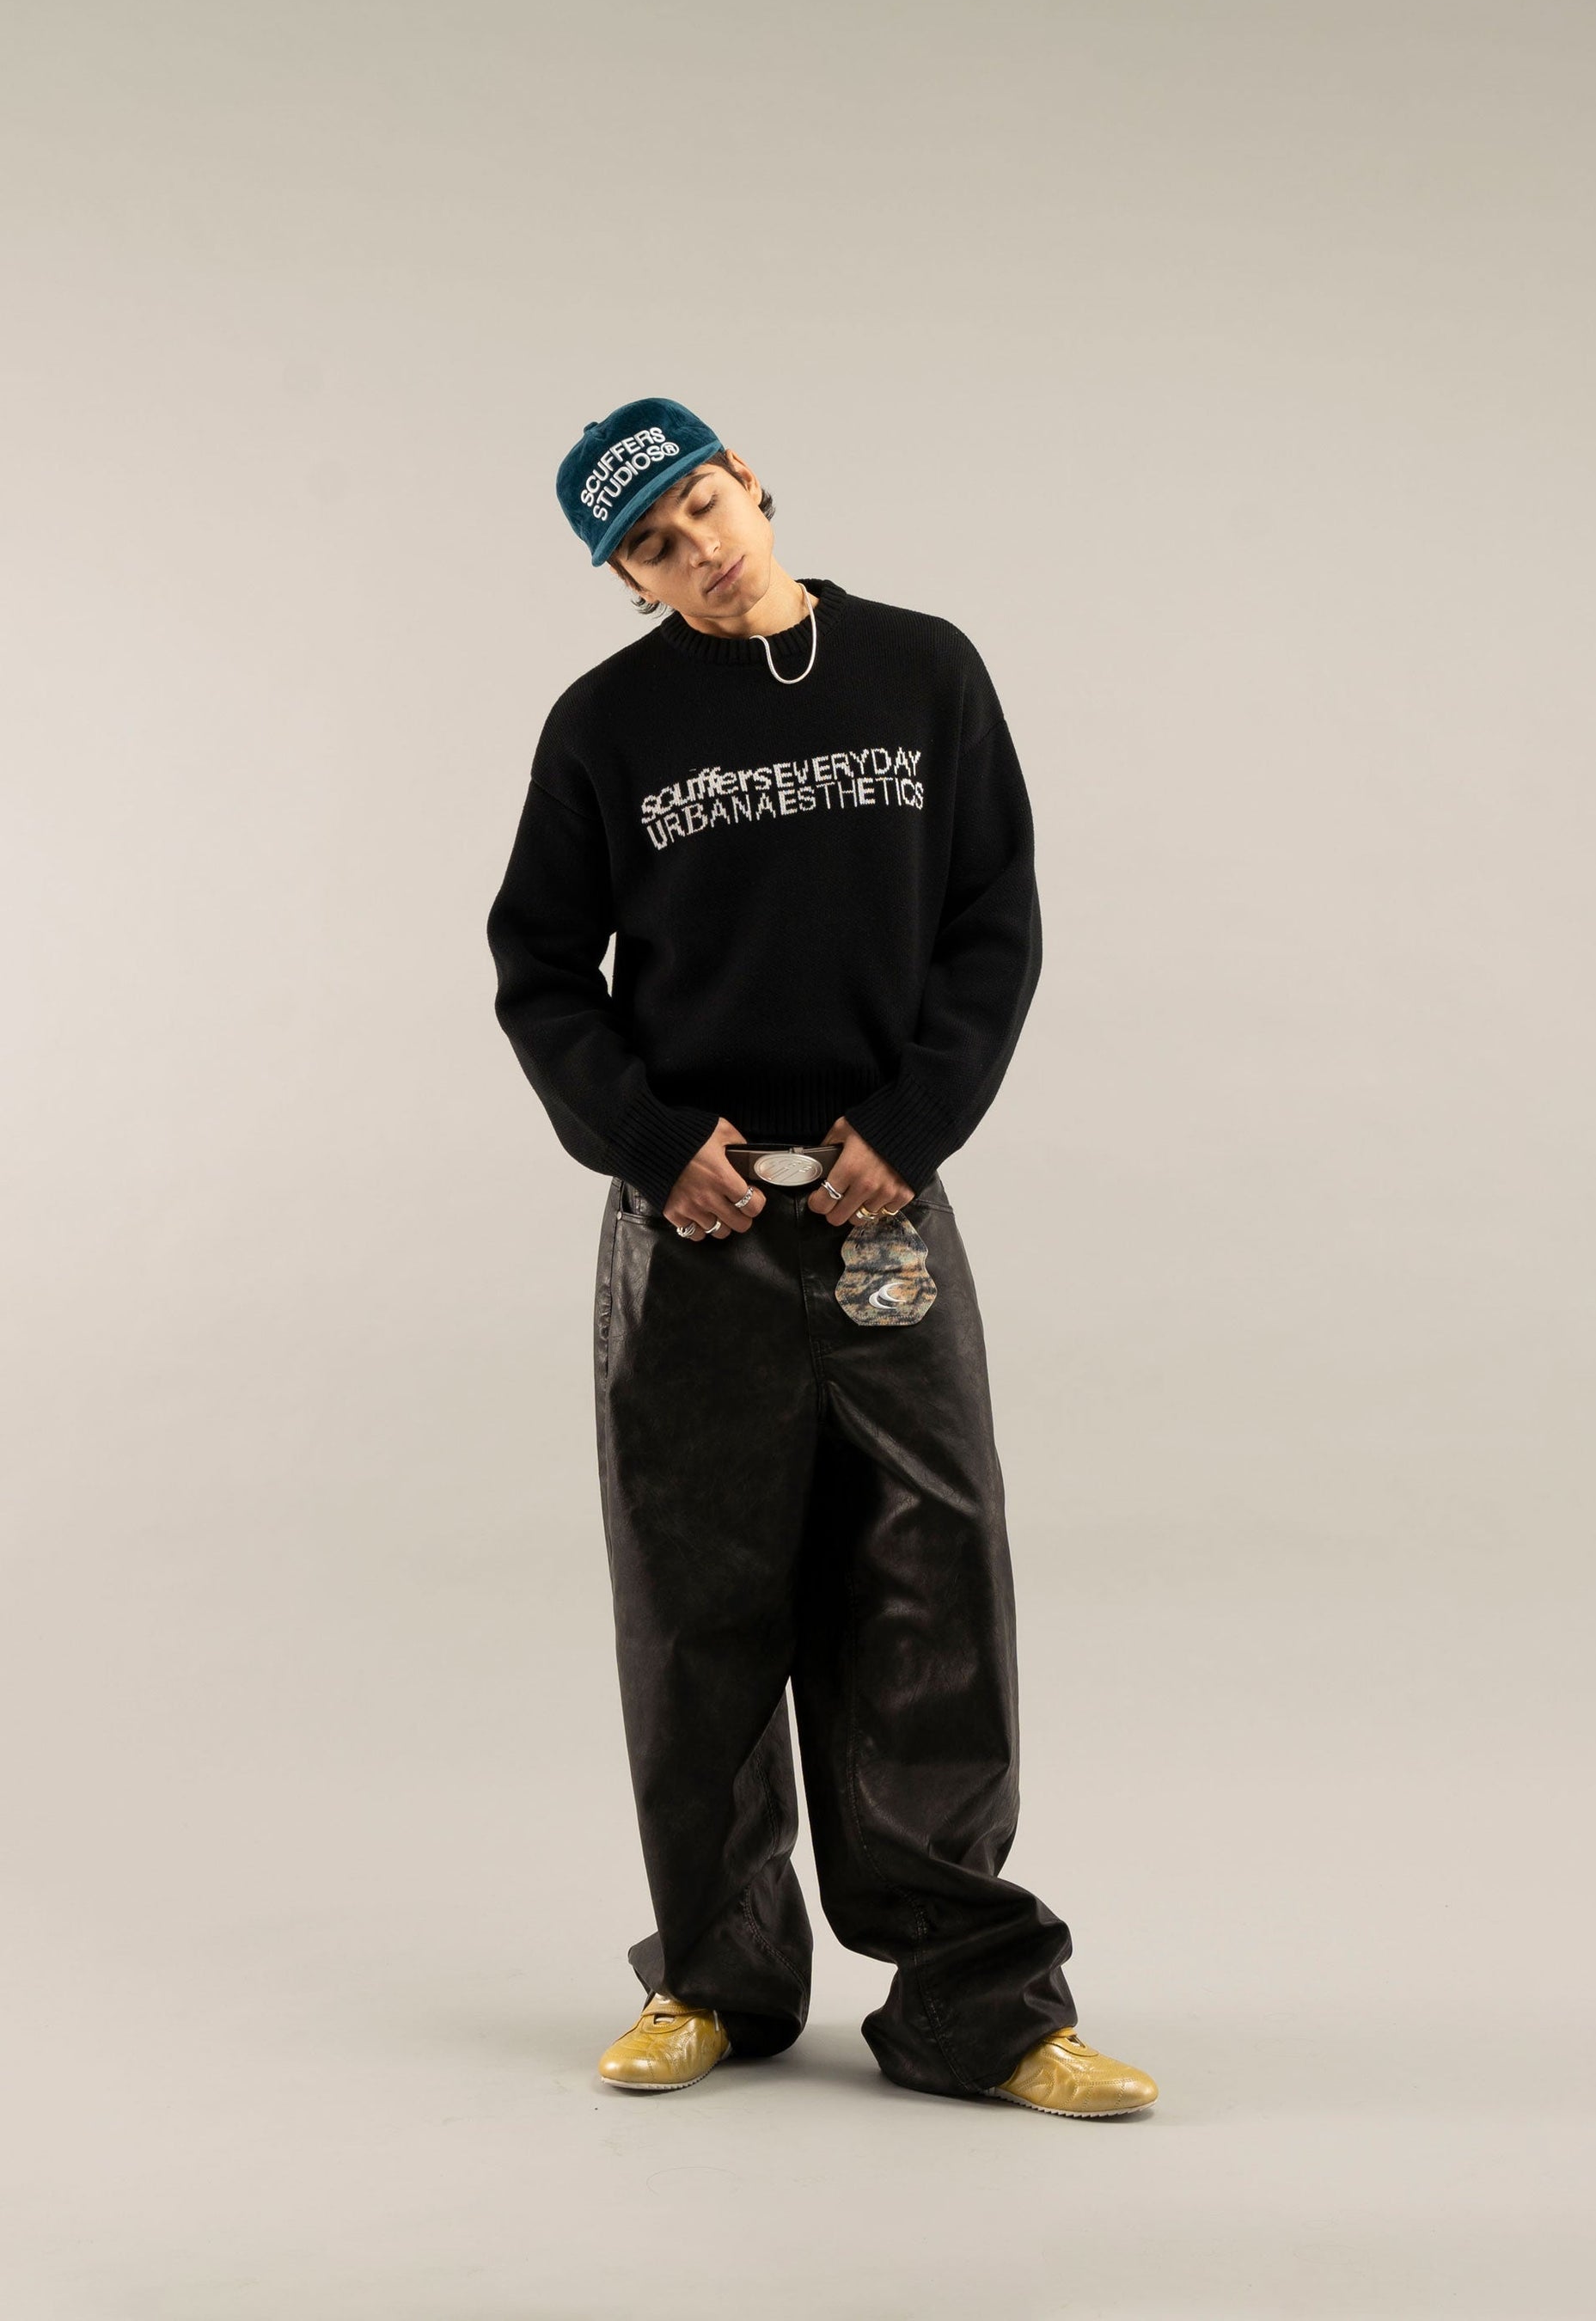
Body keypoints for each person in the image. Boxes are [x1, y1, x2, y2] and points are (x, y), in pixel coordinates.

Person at [485, 396, 1157, 2120]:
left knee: (931, 1589)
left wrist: (912, 1124)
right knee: (699, 1604)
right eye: (652, 546)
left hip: (881, 1215)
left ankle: (976, 2008)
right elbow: (540, 969)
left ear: (751, 481)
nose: (696, 552)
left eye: (702, 506)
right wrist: (653, 1146)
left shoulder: (922, 671)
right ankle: (714, 1979)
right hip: (690, 1228)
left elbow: (991, 921)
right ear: (626, 579)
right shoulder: (605, 728)